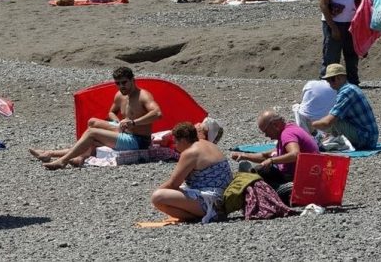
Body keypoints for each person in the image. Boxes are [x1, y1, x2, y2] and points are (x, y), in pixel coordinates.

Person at [30, 68, 163, 169]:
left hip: (138, 140)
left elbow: (157, 114)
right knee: (92, 122)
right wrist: (117, 122)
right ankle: (59, 154)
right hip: (125, 132)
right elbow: (111, 113)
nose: (121, 86)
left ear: (133, 80)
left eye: (124, 82)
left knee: (92, 133)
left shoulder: (143, 95)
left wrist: (134, 122)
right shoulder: (120, 95)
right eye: (118, 83)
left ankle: (62, 160)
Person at [150, 122, 232, 223]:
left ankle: (198, 217)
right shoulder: (208, 144)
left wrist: (156, 192)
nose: (175, 146)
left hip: (211, 202)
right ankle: (202, 215)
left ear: (183, 140)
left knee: (158, 197)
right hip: (222, 198)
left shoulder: (190, 153)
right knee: (176, 191)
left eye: (176, 142)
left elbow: (173, 184)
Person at [230, 110, 319, 191]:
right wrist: (244, 155)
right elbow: (266, 156)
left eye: (266, 131)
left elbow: (295, 154)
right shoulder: (289, 129)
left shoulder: (287, 134)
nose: (266, 135)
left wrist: (272, 160)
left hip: (297, 178)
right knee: (256, 168)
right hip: (309, 174)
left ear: (275, 125)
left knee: (252, 175)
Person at [311, 64, 378, 150]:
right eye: (328, 80)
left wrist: (311, 125)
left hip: (366, 139)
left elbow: (328, 122)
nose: (330, 83)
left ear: (341, 77)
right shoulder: (350, 88)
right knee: (332, 118)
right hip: (369, 137)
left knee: (333, 120)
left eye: (332, 79)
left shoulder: (346, 92)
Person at [319, 0, 361, 84]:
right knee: (331, 56)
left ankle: (353, 82)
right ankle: (327, 83)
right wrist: (333, 28)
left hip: (350, 23)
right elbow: (324, 5)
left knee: (351, 55)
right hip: (334, 23)